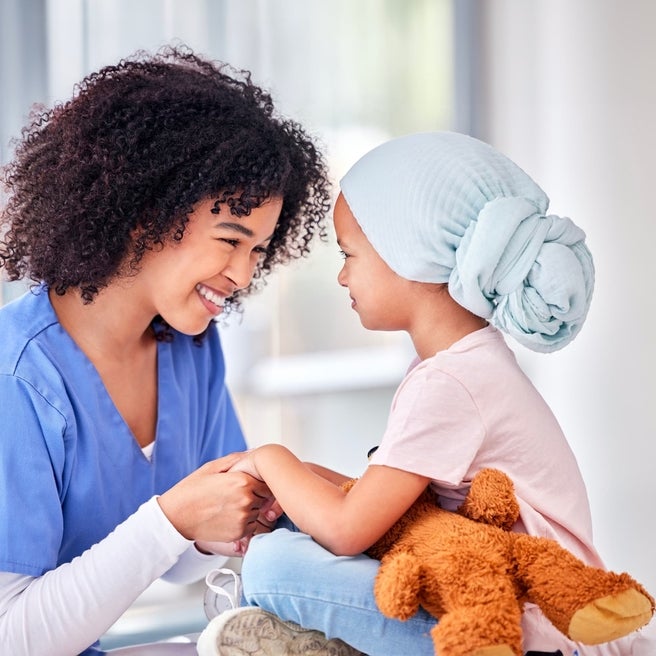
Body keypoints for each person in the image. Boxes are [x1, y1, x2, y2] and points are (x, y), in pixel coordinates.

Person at [196, 131, 653, 656]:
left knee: (274, 568)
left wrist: (269, 456)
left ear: (410, 253)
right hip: (497, 597)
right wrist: (293, 480)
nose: (343, 276)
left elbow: (349, 530)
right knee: (295, 518)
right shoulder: (464, 362)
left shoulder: (450, 382)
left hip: (518, 629)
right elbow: (386, 506)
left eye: (349, 254)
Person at [0, 45, 331, 656]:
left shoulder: (191, 350)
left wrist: (226, 523)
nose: (241, 274)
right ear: (142, 214)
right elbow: (11, 635)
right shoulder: (16, 376)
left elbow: (178, 561)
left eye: (258, 250)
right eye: (230, 239)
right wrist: (174, 517)